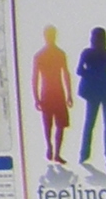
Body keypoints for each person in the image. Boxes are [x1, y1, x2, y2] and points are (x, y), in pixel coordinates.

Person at [75, 28, 106, 175]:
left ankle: (85, 155)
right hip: (105, 89)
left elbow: (79, 71)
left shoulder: (88, 53)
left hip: (95, 91)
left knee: (91, 122)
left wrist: (90, 75)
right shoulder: (105, 53)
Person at [29, 28, 73, 167]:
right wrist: (35, 97)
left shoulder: (45, 55)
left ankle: (54, 151)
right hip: (53, 93)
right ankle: (52, 149)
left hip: (50, 93)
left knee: (55, 125)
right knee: (53, 125)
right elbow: (35, 77)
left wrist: (69, 94)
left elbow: (65, 74)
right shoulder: (55, 54)